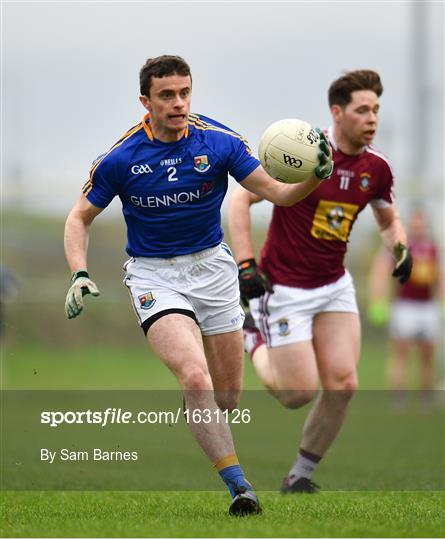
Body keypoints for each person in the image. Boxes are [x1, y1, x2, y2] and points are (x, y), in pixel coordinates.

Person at [63, 55, 333, 514]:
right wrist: (79, 272)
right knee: (194, 374)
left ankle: (201, 402)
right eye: (166, 95)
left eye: (184, 92)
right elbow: (79, 217)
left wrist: (314, 176)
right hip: (153, 274)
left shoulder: (220, 141)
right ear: (145, 102)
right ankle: (240, 488)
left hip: (212, 270)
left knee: (225, 398)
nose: (178, 103)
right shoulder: (121, 157)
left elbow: (278, 193)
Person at [228, 69, 413, 494]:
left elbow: (389, 221)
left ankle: (299, 476)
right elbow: (240, 198)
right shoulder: (303, 153)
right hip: (284, 289)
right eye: (362, 109)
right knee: (296, 394)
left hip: (333, 286)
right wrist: (246, 264)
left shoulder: (376, 167)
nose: (372, 118)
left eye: (376, 110)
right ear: (337, 112)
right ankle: (251, 334)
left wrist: (398, 248)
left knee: (345, 384)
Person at [368, 208, 443, 409]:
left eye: (422, 222)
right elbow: (381, 271)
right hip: (404, 307)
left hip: (428, 307)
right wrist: (378, 301)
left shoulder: (433, 248)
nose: (418, 225)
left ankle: (426, 398)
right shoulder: (401, 246)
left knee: (427, 355)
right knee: (400, 354)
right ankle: (398, 399)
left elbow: (439, 278)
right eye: (415, 221)